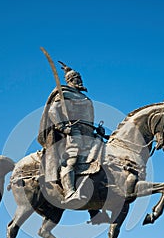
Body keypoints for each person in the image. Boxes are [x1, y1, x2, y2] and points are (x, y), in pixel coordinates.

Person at [38, 61, 110, 223]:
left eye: (79, 77)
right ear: (69, 80)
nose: (78, 80)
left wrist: (96, 130)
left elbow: (86, 118)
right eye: (75, 78)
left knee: (101, 159)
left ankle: (94, 208)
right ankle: (70, 191)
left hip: (88, 133)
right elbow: (53, 110)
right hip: (72, 132)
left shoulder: (84, 96)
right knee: (72, 159)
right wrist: (62, 127)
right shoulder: (63, 92)